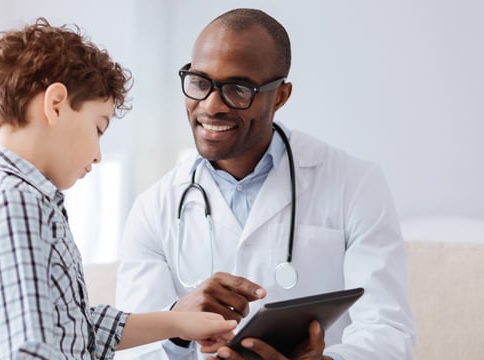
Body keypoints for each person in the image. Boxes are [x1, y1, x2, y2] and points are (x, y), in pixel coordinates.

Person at [115, 8, 415, 360]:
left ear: (281, 96)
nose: (211, 105)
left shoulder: (356, 184)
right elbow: (131, 352)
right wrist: (178, 328)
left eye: (238, 89)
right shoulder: (154, 208)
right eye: (199, 82)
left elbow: (388, 332)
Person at [0, 18, 238, 359]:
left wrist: (178, 323)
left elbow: (74, 329)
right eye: (98, 128)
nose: (97, 156)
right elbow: (30, 349)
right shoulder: (15, 204)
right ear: (55, 105)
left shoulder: (14, 198)